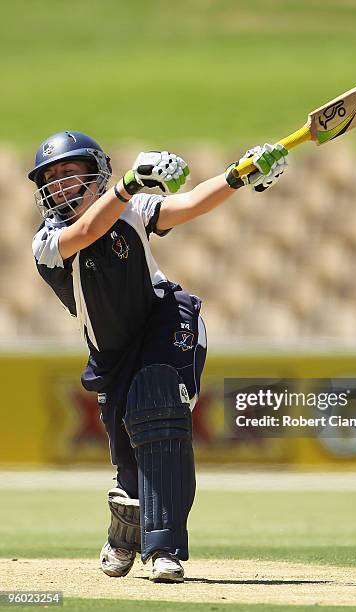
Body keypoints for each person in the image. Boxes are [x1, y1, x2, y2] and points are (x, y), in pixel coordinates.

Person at [29, 131, 288, 583]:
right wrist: (129, 183)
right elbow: (88, 232)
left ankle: (164, 548)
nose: (58, 184)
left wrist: (240, 174)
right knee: (130, 468)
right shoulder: (48, 243)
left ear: (94, 172)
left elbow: (188, 205)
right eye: (50, 177)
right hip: (111, 354)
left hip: (164, 320)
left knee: (159, 407)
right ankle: (123, 533)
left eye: (67, 172)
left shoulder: (130, 209)